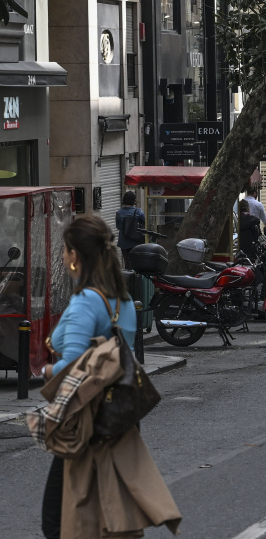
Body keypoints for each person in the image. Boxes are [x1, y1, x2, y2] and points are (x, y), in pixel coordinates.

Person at [41, 215, 181, 539]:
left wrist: (47, 371)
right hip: (119, 416)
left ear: (75, 255)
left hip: (87, 419)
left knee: (58, 519)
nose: (63, 257)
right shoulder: (123, 301)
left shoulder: (85, 302)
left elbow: (75, 368)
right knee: (110, 512)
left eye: (64, 250)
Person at [114, 190, 145, 269]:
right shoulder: (138, 212)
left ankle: (129, 279)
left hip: (123, 242)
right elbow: (145, 224)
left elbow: (118, 227)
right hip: (136, 242)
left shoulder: (119, 213)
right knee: (136, 263)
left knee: (127, 263)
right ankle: (136, 279)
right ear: (133, 200)